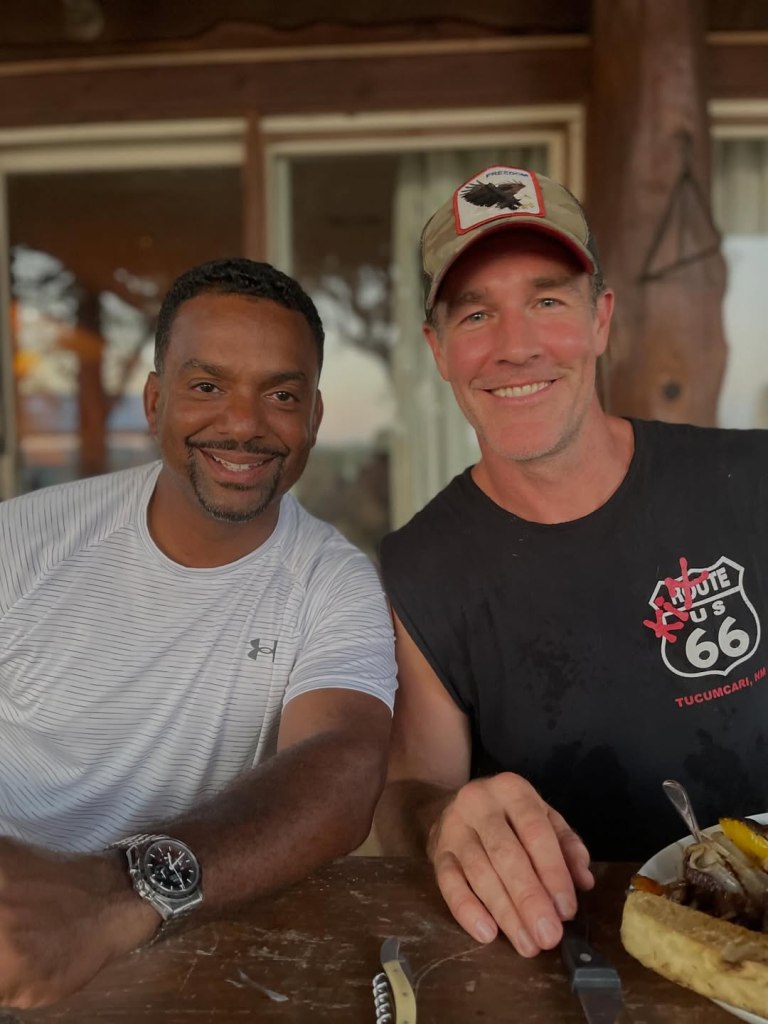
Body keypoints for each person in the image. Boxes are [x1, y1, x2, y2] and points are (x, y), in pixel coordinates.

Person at [375, 165, 768, 960]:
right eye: (477, 313)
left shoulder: (751, 481)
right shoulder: (420, 569)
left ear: (600, 320)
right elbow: (411, 794)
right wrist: (443, 819)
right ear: (438, 350)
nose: (516, 346)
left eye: (548, 302)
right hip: (572, 963)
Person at [0, 258, 396, 1008]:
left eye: (281, 395)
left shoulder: (334, 582)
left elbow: (342, 769)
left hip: (192, 959)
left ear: (314, 418)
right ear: (156, 402)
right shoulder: (20, 541)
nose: (243, 424)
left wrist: (119, 894)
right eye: (207, 387)